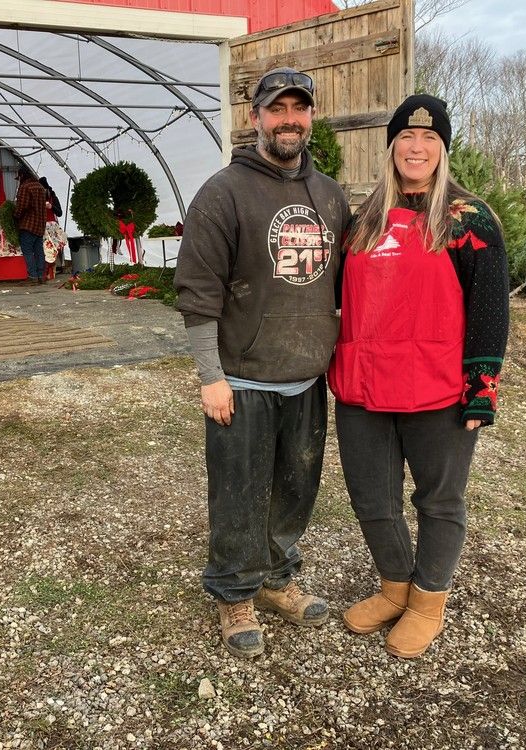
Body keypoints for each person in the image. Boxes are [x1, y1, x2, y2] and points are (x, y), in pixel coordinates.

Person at [174, 67, 350, 659]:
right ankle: (233, 593)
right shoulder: (223, 193)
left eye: (300, 109)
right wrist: (210, 377)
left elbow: (346, 284)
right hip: (242, 379)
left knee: (296, 488)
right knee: (240, 491)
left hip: (305, 379)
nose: (289, 120)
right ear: (256, 118)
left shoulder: (328, 196)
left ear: (311, 118)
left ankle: (277, 580)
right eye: (278, 110)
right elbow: (199, 292)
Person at [329, 94, 509, 659]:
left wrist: (482, 389)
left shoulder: (468, 219)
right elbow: (339, 297)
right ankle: (394, 586)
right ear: (392, 146)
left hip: (437, 390)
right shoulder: (361, 220)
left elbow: (489, 309)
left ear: (443, 149)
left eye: (430, 138)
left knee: (439, 500)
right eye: (407, 136)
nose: (417, 146)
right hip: (363, 385)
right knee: (372, 497)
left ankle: (428, 601)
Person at [13, 166, 48, 283]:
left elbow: (22, 206)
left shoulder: (25, 187)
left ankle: (32, 276)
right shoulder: (40, 186)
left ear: (22, 176)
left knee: (27, 251)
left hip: (28, 225)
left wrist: (15, 216)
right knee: (39, 251)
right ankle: (41, 275)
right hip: (40, 224)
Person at [39, 176, 66, 281]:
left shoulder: (53, 197)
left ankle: (51, 270)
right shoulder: (37, 198)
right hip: (41, 227)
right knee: (43, 249)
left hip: (52, 228)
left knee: (52, 249)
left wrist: (51, 207)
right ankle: (45, 272)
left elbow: (59, 213)